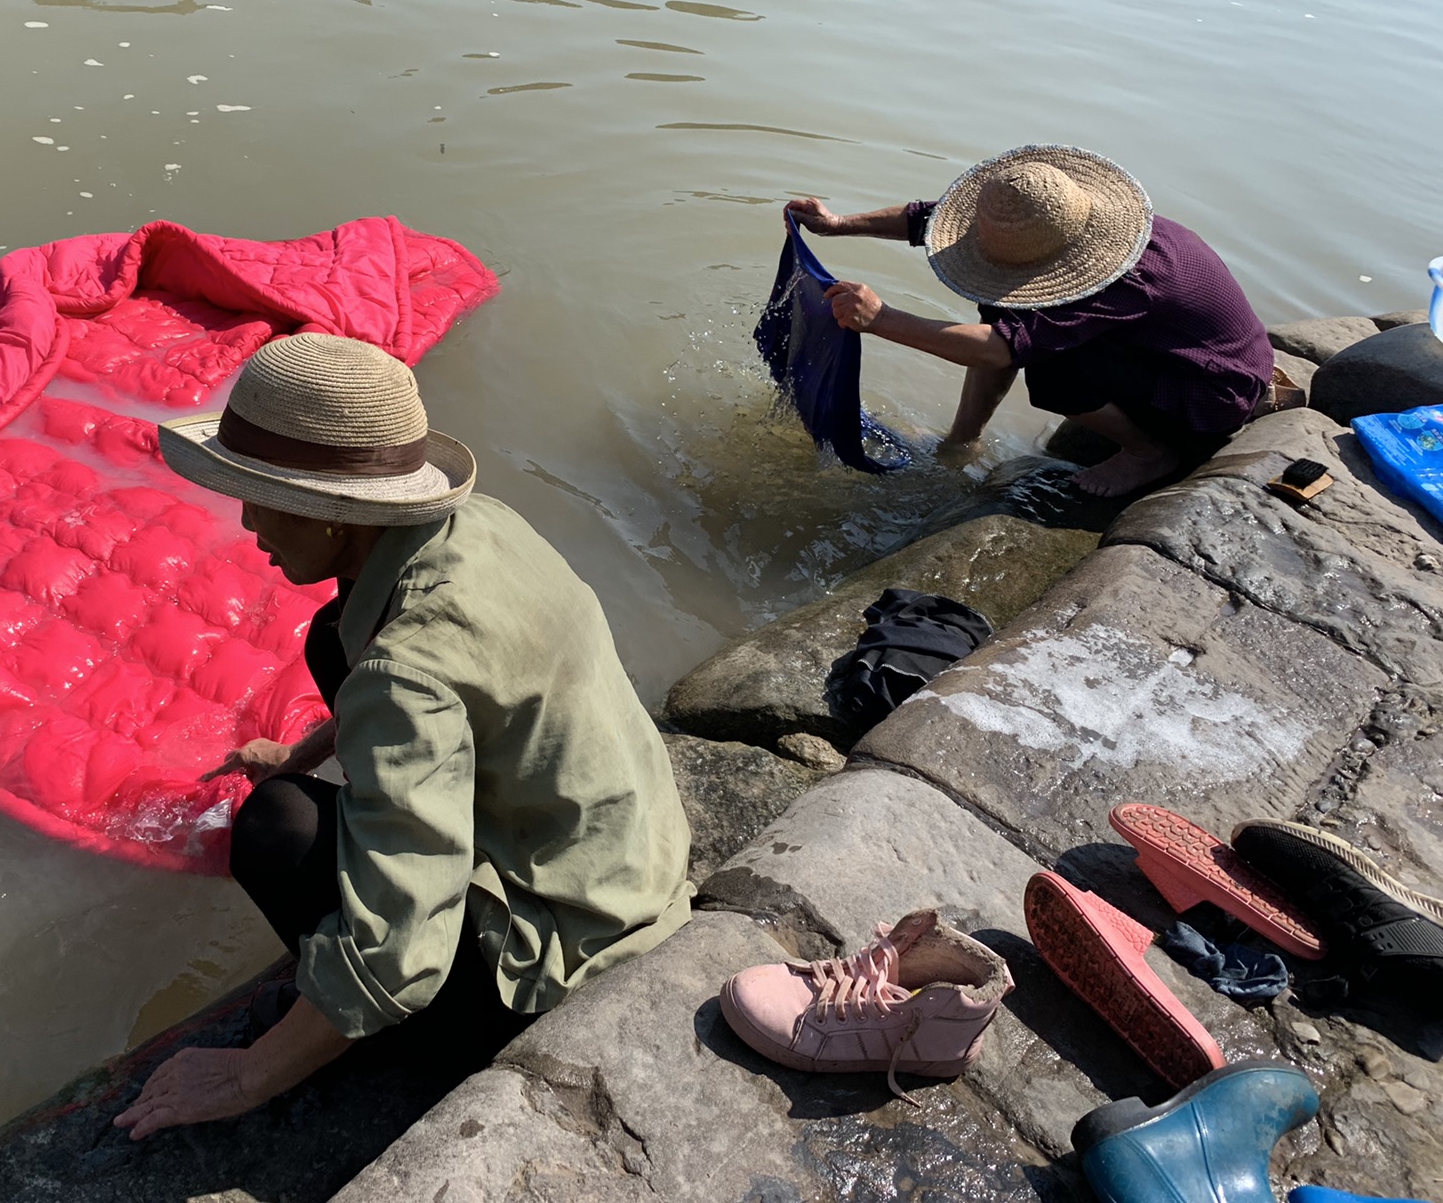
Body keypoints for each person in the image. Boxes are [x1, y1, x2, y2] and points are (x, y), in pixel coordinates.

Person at [113, 333, 693, 1138]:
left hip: (566, 955)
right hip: (631, 861)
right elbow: (448, 682)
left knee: (278, 829)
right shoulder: (483, 524)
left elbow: (401, 957)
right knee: (331, 641)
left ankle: (403, 1045)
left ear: (338, 515)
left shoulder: (403, 671)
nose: (246, 522)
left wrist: (247, 1074)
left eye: (262, 496)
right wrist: (304, 751)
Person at [789, 146, 1276, 496]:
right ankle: (964, 440)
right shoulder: (1062, 218)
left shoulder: (1126, 280)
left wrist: (882, 319)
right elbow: (928, 219)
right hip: (1169, 351)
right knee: (1006, 308)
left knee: (1053, 374)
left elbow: (1000, 348)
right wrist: (837, 224)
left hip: (1212, 388)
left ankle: (1150, 453)